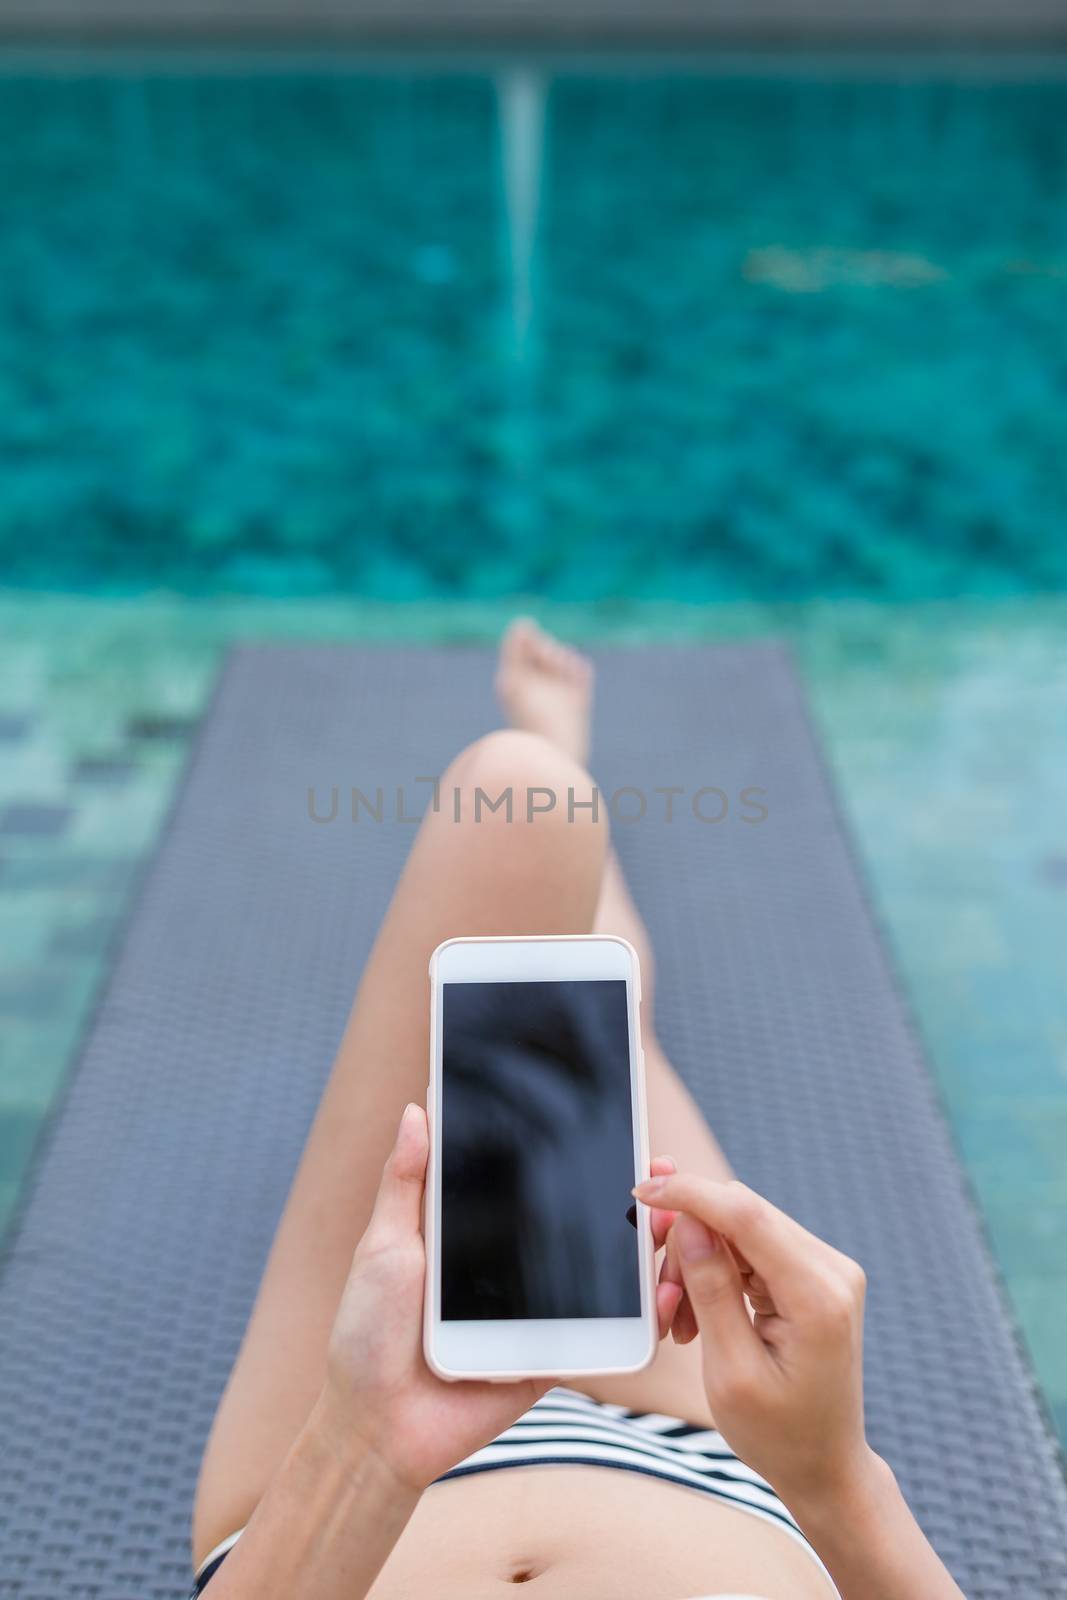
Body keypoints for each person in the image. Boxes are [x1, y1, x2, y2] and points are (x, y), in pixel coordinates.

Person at [190, 620, 965, 1600]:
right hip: (707, 1461)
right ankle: (582, 849)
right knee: (603, 1017)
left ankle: (557, 766)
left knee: (516, 800)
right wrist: (837, 1479)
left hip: (325, 1485)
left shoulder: (351, 1448)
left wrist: (365, 1450)